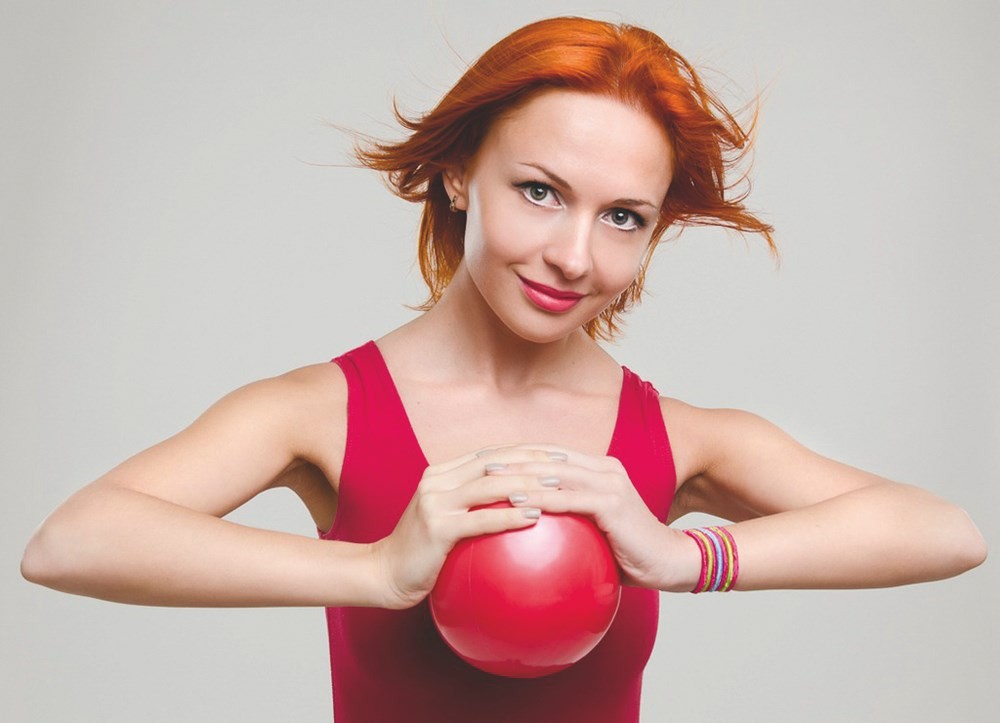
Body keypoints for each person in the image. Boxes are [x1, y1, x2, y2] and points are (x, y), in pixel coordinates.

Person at [20, 16, 986, 723]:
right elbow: (69, 543)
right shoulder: (321, 412)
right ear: (458, 173)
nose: (574, 255)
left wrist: (683, 558)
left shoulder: (679, 437)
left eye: (623, 217)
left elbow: (945, 532)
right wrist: (375, 569)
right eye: (540, 191)